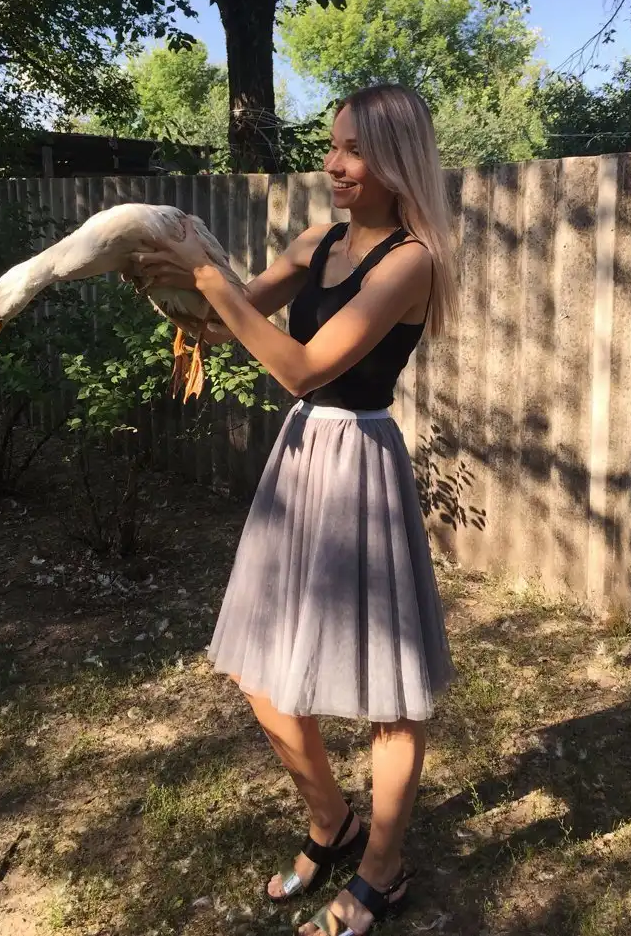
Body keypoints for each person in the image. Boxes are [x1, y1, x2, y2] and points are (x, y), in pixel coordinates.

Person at [131, 83, 458, 936]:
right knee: (258, 669)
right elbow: (228, 320)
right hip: (302, 456)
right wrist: (172, 287)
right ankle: (332, 821)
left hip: (360, 465)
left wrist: (216, 286)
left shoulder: (412, 262)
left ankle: (381, 871)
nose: (333, 163)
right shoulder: (318, 242)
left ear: (396, 160)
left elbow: (303, 366)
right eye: (333, 144)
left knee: (391, 696)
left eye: (353, 149)